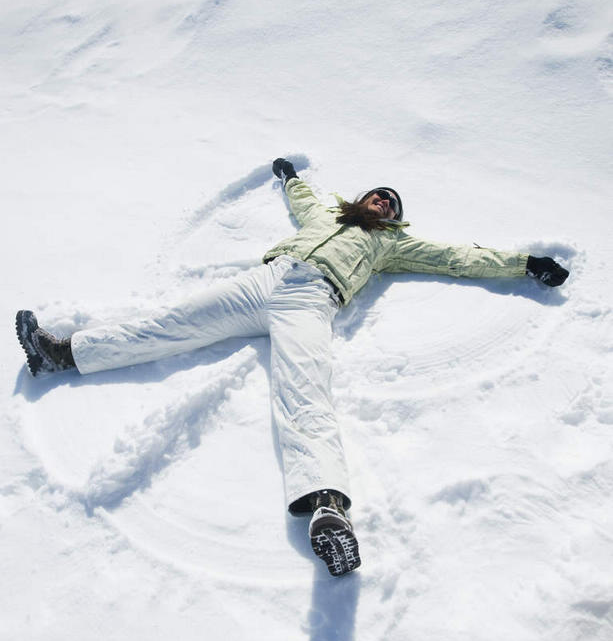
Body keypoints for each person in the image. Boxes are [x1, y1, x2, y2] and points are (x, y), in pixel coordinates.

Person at [15, 157, 569, 577]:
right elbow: (304, 198)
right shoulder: (327, 213)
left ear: (394, 219)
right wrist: (289, 178)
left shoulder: (391, 244)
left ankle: (327, 506)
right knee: (172, 322)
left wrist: (523, 264)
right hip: (264, 279)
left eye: (391, 205)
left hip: (311, 299)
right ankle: (63, 354)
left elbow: (456, 257)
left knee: (305, 391)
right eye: (378, 195)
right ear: (363, 197)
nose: (382, 203)